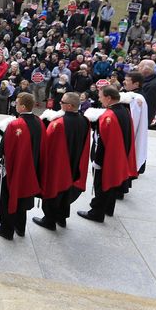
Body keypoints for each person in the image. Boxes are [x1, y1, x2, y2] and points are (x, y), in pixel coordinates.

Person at [78, 86, 137, 222]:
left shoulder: (107, 116)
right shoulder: (124, 111)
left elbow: (101, 141)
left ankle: (96, 213)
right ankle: (108, 208)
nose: (99, 99)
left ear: (109, 98)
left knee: (101, 184)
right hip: (120, 155)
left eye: (101, 96)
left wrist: (97, 161)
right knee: (112, 183)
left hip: (107, 158)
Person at [34, 92, 91, 230]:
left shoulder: (58, 123)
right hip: (75, 162)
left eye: (62, 103)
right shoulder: (84, 120)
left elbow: (47, 144)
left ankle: (49, 220)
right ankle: (62, 217)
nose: (60, 104)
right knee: (67, 190)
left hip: (59, 164)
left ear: (70, 106)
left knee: (54, 190)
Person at [0, 93, 42, 240]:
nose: (15, 105)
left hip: (13, 168)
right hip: (31, 167)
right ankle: (20, 227)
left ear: (23, 107)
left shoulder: (15, 124)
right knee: (23, 197)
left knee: (7, 198)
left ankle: (6, 229)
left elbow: (3, 149)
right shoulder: (38, 121)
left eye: (17, 103)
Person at [118, 71, 149, 199]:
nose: (124, 82)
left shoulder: (136, 98)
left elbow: (133, 120)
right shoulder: (133, 96)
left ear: (136, 83)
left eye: (128, 80)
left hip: (128, 136)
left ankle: (119, 189)